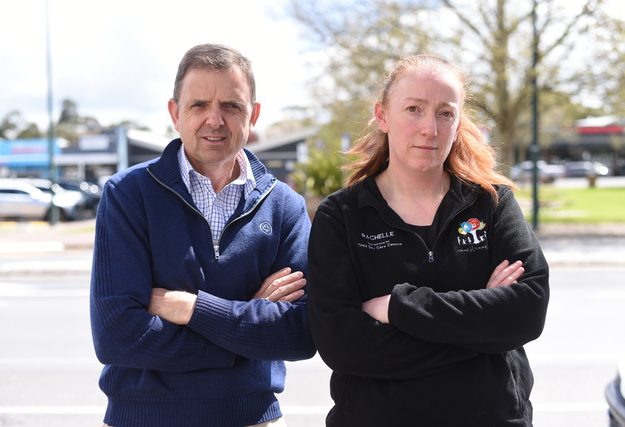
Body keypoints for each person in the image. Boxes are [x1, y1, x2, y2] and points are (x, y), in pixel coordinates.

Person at [307, 54, 550, 426]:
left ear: (458, 123)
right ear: (383, 116)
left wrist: (399, 308)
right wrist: (481, 334)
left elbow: (526, 312)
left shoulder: (492, 203)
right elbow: (343, 345)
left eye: (445, 113)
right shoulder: (342, 216)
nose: (430, 129)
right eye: (414, 109)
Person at [90, 43, 316, 427]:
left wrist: (190, 309)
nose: (215, 119)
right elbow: (117, 337)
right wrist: (247, 324)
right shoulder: (127, 195)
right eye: (199, 105)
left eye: (231, 106)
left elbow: (301, 334)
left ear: (253, 115)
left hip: (253, 419)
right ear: (175, 113)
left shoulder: (284, 206)